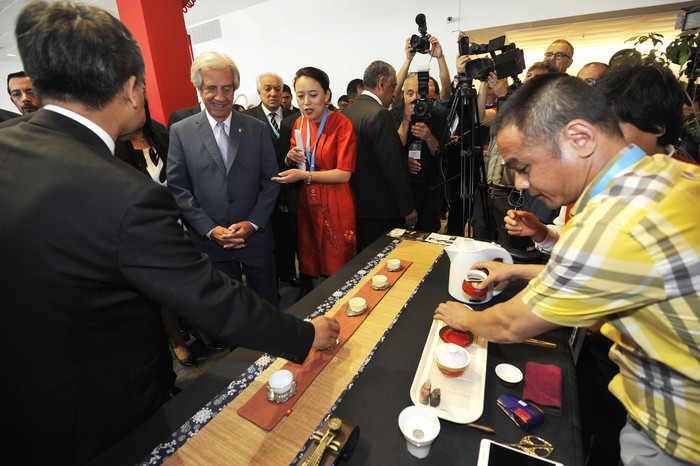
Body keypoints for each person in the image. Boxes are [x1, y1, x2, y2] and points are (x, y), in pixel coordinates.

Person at [0, 2, 339, 464]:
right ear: (131, 88)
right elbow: (209, 298)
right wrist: (304, 334)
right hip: (95, 415)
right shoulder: (124, 193)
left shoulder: (10, 144)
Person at [434, 74, 700, 465]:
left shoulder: (613, 219)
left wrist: (465, 317)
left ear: (580, 138)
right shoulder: (665, 176)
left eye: (523, 166)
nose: (522, 183)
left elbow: (509, 324)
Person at [168, 52, 280, 308]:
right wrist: (209, 228)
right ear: (199, 88)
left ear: (235, 88)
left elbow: (271, 181)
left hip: (256, 239)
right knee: (227, 313)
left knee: (268, 310)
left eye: (226, 88)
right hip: (211, 243)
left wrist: (253, 223)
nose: (220, 97)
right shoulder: (180, 132)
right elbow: (178, 188)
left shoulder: (256, 128)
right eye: (211, 88)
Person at [272, 66, 357, 288]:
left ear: (327, 95)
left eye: (313, 95)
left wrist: (305, 174)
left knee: (337, 263)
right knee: (312, 260)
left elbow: (344, 174)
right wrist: (290, 158)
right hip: (308, 202)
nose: (306, 103)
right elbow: (300, 158)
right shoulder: (298, 123)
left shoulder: (341, 123)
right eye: (300, 96)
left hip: (335, 200)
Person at [344, 60, 417, 250]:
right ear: (382, 82)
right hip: (382, 210)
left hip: (355, 205)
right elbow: (391, 167)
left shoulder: (348, 112)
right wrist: (407, 208)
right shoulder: (380, 114)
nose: (394, 94)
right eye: (393, 86)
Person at [244, 73, 300, 288]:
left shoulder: (294, 116)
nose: (273, 93)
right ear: (259, 91)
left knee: (289, 236)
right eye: (267, 88)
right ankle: (270, 281)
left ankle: (287, 274)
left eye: (277, 88)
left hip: (291, 187)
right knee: (267, 238)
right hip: (260, 191)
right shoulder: (248, 119)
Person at [394, 72, 447, 232]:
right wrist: (406, 120)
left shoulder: (436, 115)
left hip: (429, 190)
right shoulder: (395, 114)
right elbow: (391, 152)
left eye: (419, 92)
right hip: (402, 191)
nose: (415, 98)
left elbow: (442, 153)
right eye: (410, 93)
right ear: (403, 94)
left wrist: (429, 137)